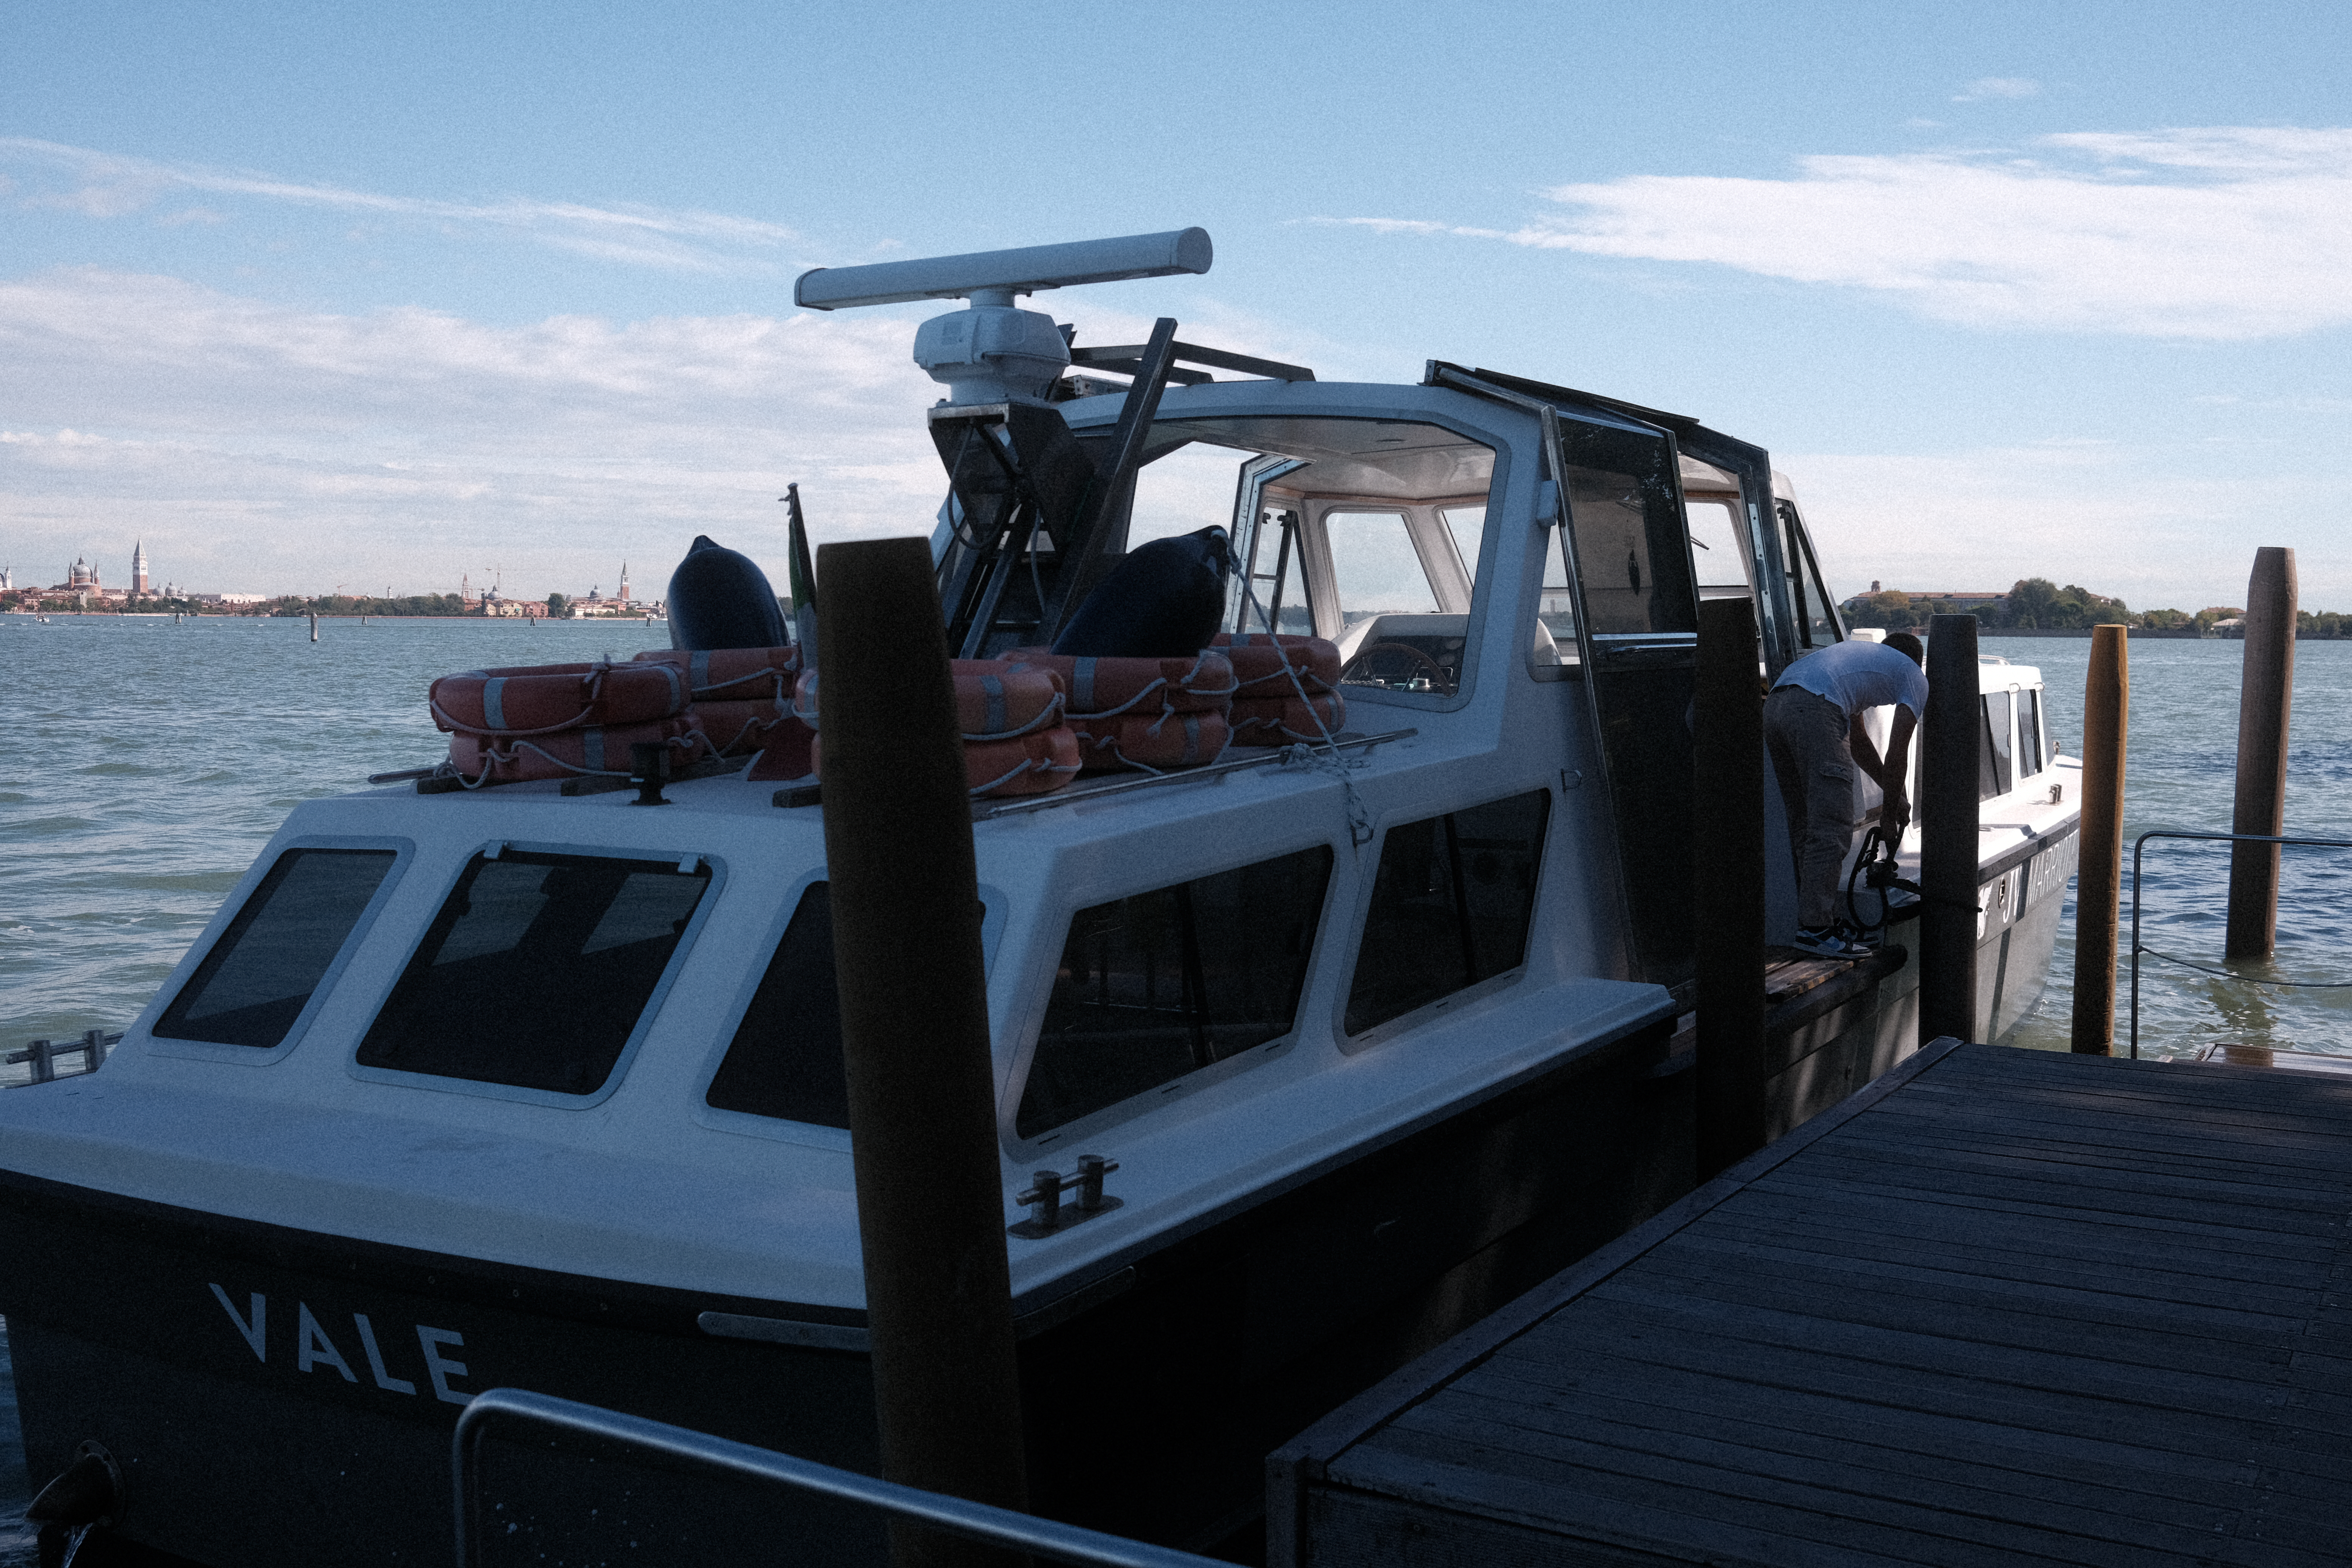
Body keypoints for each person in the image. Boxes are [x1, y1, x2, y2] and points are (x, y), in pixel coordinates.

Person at [1763, 631, 1926, 957]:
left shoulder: (1859, 662)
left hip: (1777, 705)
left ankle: (1816, 922)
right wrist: (1892, 815)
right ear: (1917, 661)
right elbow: (1898, 753)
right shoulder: (1914, 676)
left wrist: (1893, 797)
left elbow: (1861, 745)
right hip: (1813, 709)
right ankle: (1815, 929)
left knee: (1807, 826)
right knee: (1832, 826)